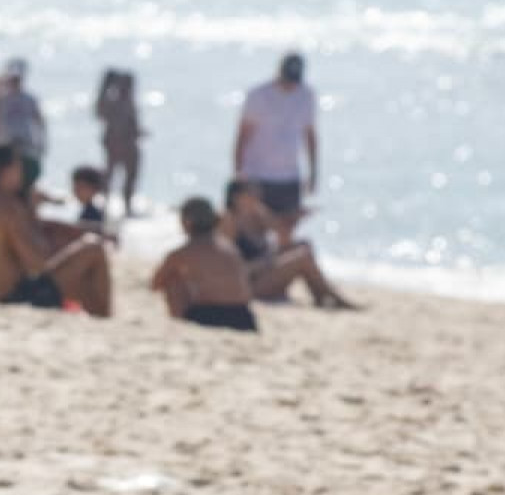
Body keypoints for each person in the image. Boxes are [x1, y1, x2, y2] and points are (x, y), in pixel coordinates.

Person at [0, 146, 112, 316]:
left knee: (77, 277)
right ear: (7, 171)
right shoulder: (6, 205)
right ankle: (105, 318)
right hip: (10, 297)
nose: (21, 174)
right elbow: (37, 263)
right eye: (18, 168)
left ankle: (101, 317)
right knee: (93, 247)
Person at [222, 179, 358, 310]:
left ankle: (322, 295)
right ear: (237, 197)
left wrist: (294, 217)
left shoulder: (255, 216)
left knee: (304, 246)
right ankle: (331, 297)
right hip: (250, 283)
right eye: (251, 192)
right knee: (302, 257)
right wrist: (262, 263)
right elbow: (229, 267)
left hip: (264, 268)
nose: (257, 196)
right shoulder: (229, 222)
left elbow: (282, 232)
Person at [234, 51, 317, 247]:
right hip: (258, 175)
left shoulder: (306, 96)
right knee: (255, 232)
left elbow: (310, 135)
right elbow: (242, 136)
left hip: (289, 176)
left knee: (286, 233)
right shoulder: (258, 95)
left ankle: (280, 274)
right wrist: (240, 174)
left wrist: (313, 172)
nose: (290, 84)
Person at [151, 197, 257, 332]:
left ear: (187, 222)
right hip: (245, 317)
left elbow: (155, 284)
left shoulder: (183, 252)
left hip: (211, 316)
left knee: (173, 280)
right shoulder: (229, 247)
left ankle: (179, 326)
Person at [0, 58, 46, 184]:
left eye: (17, 79)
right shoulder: (1, 99)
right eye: (12, 79)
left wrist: (41, 145)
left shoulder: (30, 99)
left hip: (25, 145)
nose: (14, 82)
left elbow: (40, 123)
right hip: (5, 146)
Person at [95, 68, 142, 216]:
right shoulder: (112, 102)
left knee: (130, 178)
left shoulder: (129, 102)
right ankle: (104, 204)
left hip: (129, 146)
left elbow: (133, 126)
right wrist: (105, 85)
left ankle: (126, 205)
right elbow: (99, 112)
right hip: (115, 147)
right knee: (109, 177)